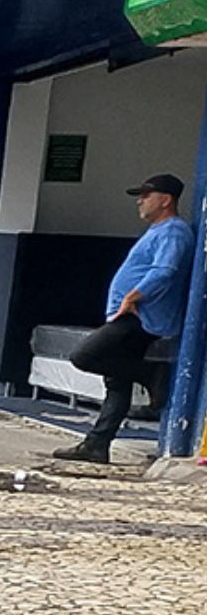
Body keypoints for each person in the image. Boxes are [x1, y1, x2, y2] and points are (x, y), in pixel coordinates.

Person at [52, 173, 196, 464]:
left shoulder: (173, 231)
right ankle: (97, 444)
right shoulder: (159, 230)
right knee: (117, 382)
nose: (140, 201)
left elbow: (165, 271)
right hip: (132, 315)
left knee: (84, 355)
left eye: (146, 195)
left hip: (139, 317)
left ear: (166, 200)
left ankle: (151, 374)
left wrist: (132, 296)